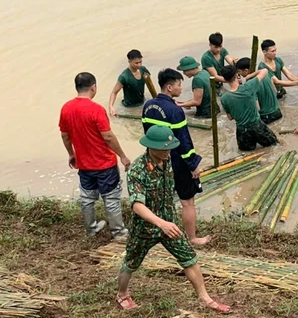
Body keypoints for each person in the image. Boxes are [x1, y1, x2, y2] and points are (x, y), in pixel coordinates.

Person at [115, 125, 231, 314]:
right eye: (164, 148)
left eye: (170, 148)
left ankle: (205, 298)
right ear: (152, 147)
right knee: (131, 263)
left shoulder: (167, 160)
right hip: (145, 228)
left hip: (170, 222)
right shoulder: (137, 170)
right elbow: (137, 205)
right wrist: (161, 223)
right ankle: (122, 294)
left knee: (189, 258)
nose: (168, 152)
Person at [142, 69, 210, 246]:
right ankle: (192, 238)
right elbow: (183, 141)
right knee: (188, 202)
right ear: (170, 87)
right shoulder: (174, 110)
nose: (181, 88)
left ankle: (159, 234)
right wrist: (193, 164)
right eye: (179, 85)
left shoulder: (148, 106)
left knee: (161, 200)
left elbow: (148, 134)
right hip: (176, 161)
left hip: (155, 158)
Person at [59, 72, 130, 239]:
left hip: (84, 164)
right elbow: (108, 136)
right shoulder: (97, 109)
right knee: (111, 198)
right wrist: (123, 156)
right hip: (104, 163)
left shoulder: (66, 108)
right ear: (93, 87)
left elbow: (65, 135)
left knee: (87, 198)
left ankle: (91, 229)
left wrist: (71, 154)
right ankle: (119, 232)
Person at [219, 65, 279, 151]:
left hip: (242, 131)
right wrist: (250, 76)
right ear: (237, 75)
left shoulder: (224, 98)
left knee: (246, 153)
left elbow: (230, 117)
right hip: (257, 126)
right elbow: (265, 70)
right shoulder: (248, 86)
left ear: (224, 80)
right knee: (274, 145)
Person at [236, 58, 282, 125]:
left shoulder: (250, 85)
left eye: (239, 71)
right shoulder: (266, 74)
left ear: (246, 70)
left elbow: (257, 108)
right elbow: (275, 91)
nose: (238, 74)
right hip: (278, 112)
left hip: (266, 117)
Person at [108, 49, 151, 117]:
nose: (139, 65)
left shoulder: (143, 70)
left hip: (142, 101)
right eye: (136, 63)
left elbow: (150, 84)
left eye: (140, 62)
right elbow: (114, 92)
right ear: (129, 61)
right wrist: (111, 107)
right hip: (129, 107)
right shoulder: (124, 77)